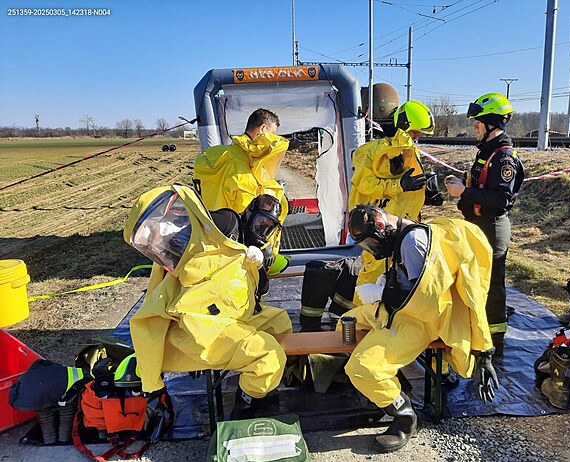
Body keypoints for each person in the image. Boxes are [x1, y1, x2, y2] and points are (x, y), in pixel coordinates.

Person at [123, 185, 292, 417]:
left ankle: (267, 385)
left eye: (268, 225)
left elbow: (259, 290)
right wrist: (152, 385)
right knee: (268, 354)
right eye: (260, 220)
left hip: (232, 317)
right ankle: (245, 405)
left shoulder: (248, 248)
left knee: (280, 323)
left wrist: (260, 264)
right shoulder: (224, 227)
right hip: (205, 330)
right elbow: (148, 322)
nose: (261, 227)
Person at [342, 204, 498, 453]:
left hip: (418, 320)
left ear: (381, 226)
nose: (372, 249)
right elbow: (414, 280)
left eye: (371, 243)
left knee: (361, 368)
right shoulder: (403, 234)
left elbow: (427, 298)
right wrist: (388, 282)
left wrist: (383, 293)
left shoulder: (412, 242)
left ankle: (405, 418)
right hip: (401, 311)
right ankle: (390, 381)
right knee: (346, 321)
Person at [299, 100, 442, 332]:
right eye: (415, 132)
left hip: (402, 231)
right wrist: (399, 185)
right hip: (380, 231)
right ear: (404, 126)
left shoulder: (407, 153)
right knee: (373, 277)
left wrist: (426, 195)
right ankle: (359, 326)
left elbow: (403, 194)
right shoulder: (372, 152)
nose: (417, 138)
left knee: (399, 279)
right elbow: (364, 185)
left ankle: (388, 326)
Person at [444, 93, 524, 356]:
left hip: (491, 227)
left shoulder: (503, 157)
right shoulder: (486, 153)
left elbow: (500, 199)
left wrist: (463, 192)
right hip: (477, 224)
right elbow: (482, 187)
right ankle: (477, 333)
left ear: (492, 123)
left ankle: (493, 343)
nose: (474, 127)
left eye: (478, 123)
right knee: (475, 281)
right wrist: (462, 186)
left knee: (492, 285)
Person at [193, 108, 289, 273]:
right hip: (237, 250)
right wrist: (263, 246)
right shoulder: (242, 166)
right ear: (262, 129)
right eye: (272, 134)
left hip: (210, 240)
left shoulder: (219, 156)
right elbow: (251, 217)